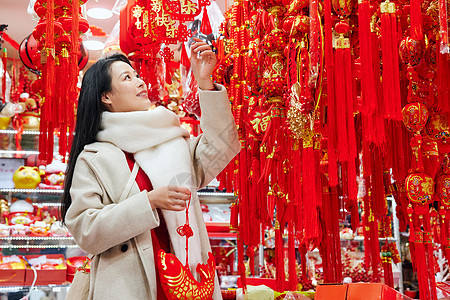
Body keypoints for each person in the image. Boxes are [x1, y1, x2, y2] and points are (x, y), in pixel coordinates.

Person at [61, 38, 240, 299]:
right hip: (128, 286)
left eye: (136, 75)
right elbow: (86, 231)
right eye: (127, 78)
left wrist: (205, 83)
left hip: (187, 279)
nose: (140, 81)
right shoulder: (94, 157)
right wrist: (149, 202)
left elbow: (223, 145)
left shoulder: (172, 141)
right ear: (106, 96)